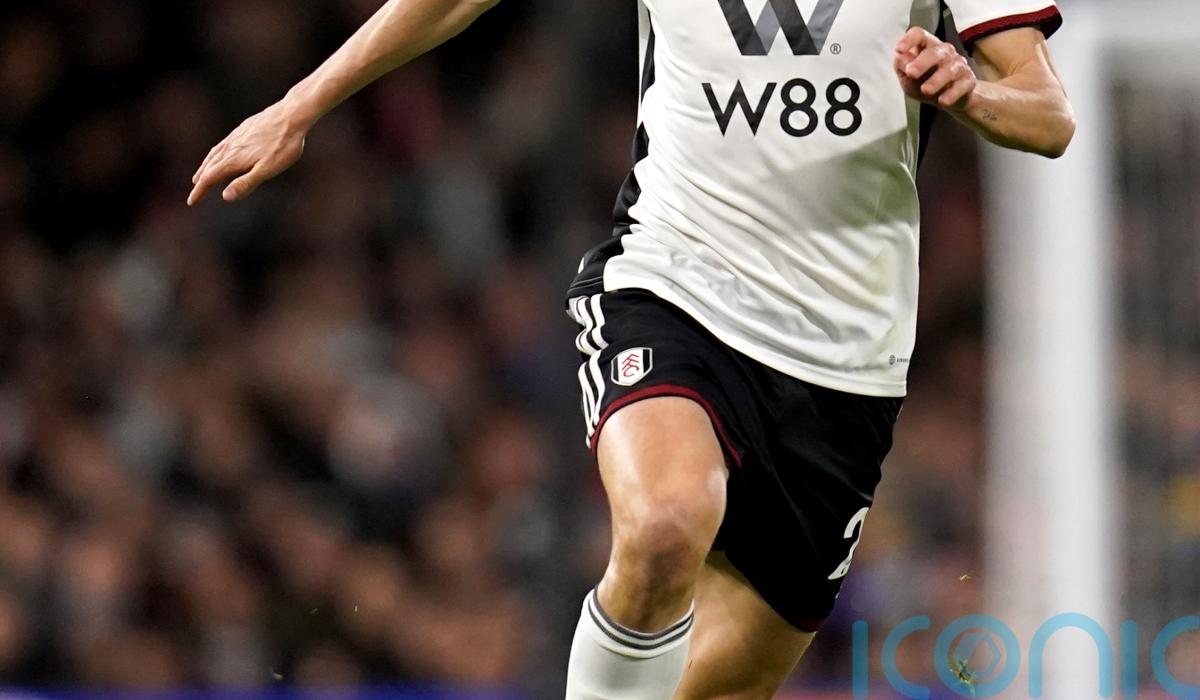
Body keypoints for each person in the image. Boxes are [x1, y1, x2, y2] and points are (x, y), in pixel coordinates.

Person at [187, 0, 1074, 696]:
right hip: (674, 282)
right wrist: (304, 102)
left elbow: (1047, 115)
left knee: (717, 687)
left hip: (844, 356)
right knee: (663, 524)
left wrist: (972, 92)